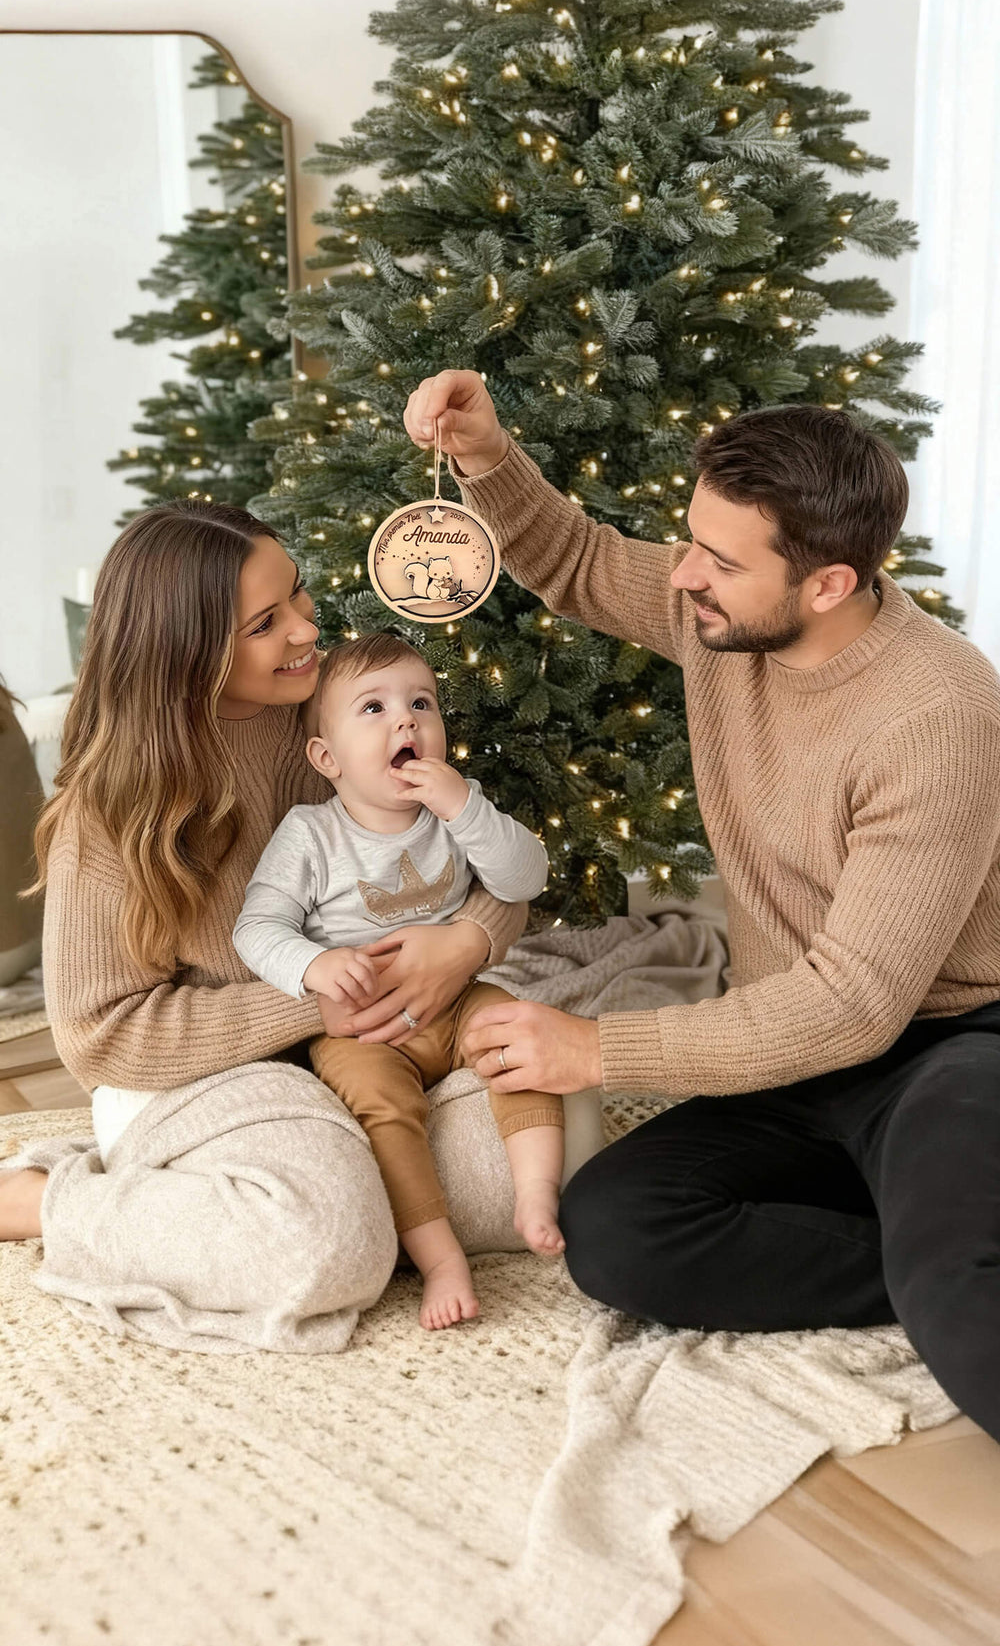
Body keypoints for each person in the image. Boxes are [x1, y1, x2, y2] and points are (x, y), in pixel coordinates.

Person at [400, 368, 1000, 1445]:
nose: (684, 575)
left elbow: (858, 1003)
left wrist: (595, 1047)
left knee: (960, 1290)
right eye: (690, 541)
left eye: (719, 560)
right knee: (617, 1233)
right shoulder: (720, 615)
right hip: (793, 1048)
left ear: (828, 583)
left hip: (945, 1044)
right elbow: (581, 562)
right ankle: (919, 1236)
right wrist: (486, 459)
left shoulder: (939, 711)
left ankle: (936, 1249)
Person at [0, 501, 528, 1351]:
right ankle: (46, 1198)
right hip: (198, 1069)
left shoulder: (345, 715)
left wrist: (466, 940)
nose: (307, 628)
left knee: (533, 1167)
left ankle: (292, 1183)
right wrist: (313, 1008)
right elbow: (101, 1037)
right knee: (326, 1248)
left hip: (367, 1047)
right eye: (265, 622)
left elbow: (484, 852)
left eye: (299, 596)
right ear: (187, 650)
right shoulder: (110, 807)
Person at [233, 630, 565, 1330]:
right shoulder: (311, 835)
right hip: (366, 1030)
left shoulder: (457, 813)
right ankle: (440, 1256)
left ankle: (536, 1194)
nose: (405, 720)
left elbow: (525, 878)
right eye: (374, 709)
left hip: (456, 997)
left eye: (421, 703)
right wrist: (315, 965)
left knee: (521, 1034)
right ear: (328, 757)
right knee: (381, 1113)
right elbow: (256, 929)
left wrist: (465, 810)